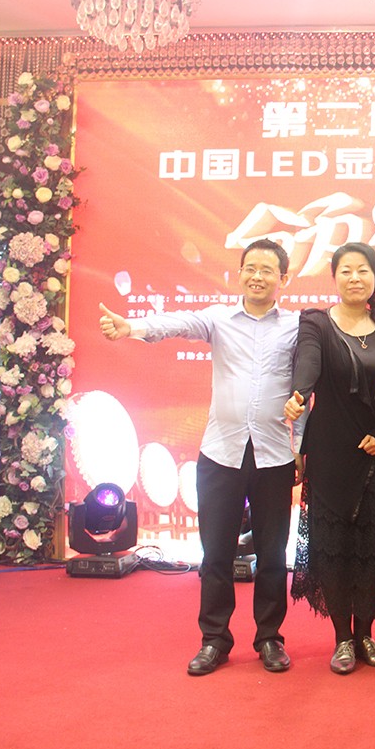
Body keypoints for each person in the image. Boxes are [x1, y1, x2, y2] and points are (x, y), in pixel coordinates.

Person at [98, 238, 299, 676]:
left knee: (271, 556)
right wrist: (131, 327)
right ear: (240, 273)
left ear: (283, 279)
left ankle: (269, 638)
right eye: (250, 268)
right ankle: (214, 640)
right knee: (216, 555)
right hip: (221, 453)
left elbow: (310, 383)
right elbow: (176, 322)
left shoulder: (297, 327)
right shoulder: (218, 319)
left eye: (267, 270)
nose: (257, 276)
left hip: (274, 455)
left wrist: (301, 446)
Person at [284, 242, 375, 674]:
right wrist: (299, 393)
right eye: (346, 270)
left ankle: (366, 635)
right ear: (335, 277)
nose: (355, 278)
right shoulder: (316, 323)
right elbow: (308, 363)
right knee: (335, 546)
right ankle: (342, 638)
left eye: (363, 270)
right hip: (332, 452)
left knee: (373, 548)